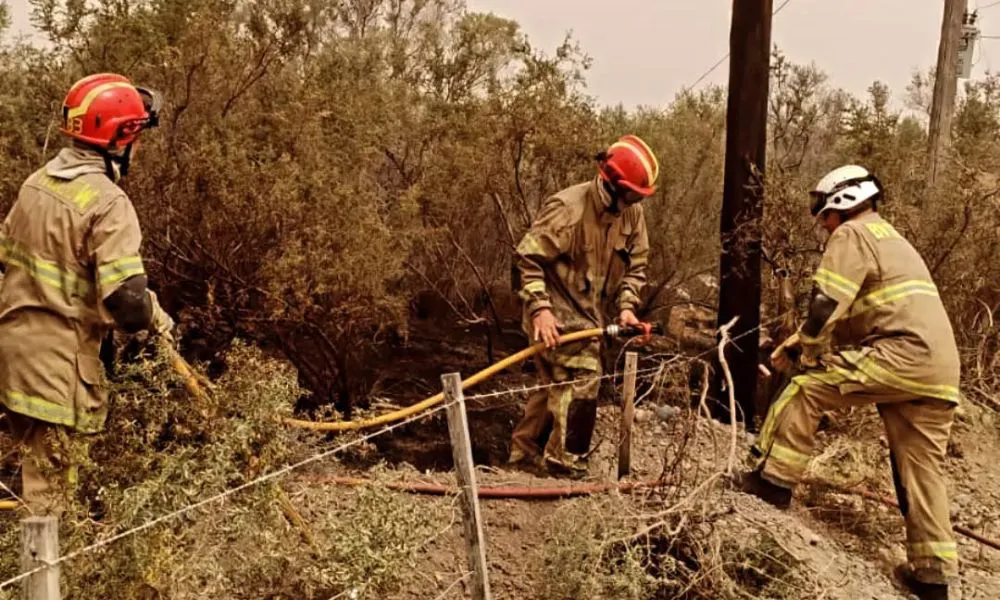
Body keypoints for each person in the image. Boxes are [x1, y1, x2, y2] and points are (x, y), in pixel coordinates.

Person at [741, 165, 960, 600]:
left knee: (806, 388)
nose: (822, 225)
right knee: (921, 469)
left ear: (840, 204)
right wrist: (797, 342)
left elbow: (826, 304)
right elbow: (855, 317)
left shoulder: (852, 235)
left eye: (823, 215)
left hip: (900, 354)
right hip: (938, 370)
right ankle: (933, 576)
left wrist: (804, 351)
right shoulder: (892, 240)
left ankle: (771, 482)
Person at [0, 73, 175, 516]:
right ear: (122, 138)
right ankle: (43, 583)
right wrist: (159, 320)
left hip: (14, 360)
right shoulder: (107, 202)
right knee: (49, 509)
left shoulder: (36, 184)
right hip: (56, 375)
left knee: (43, 481)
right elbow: (128, 303)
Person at [507, 134, 656, 476]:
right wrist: (540, 311)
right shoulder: (567, 209)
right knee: (584, 376)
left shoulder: (632, 215)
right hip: (552, 312)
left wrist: (627, 307)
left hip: (590, 316)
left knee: (554, 386)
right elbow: (526, 259)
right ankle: (566, 463)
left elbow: (637, 266)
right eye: (633, 193)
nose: (636, 202)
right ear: (613, 186)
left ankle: (521, 457)